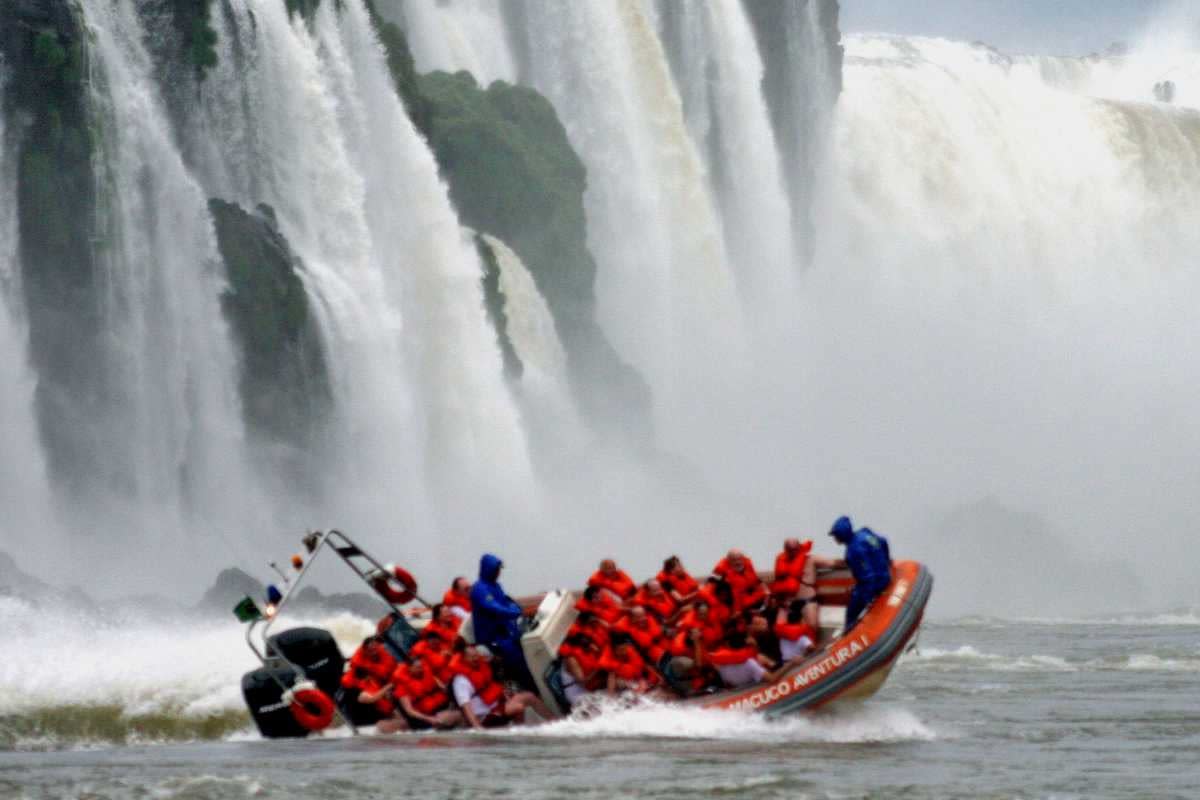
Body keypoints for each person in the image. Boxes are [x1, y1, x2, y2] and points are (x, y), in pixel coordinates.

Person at [469, 553, 535, 689]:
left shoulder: (496, 586)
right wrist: (517, 612)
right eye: (497, 570)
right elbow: (495, 608)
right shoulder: (479, 589)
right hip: (491, 637)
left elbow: (506, 602)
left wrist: (516, 609)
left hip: (504, 630)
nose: (499, 573)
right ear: (490, 569)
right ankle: (529, 686)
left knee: (527, 639)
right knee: (516, 655)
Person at [450, 644, 552, 729]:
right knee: (519, 706)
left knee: (529, 696)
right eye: (472, 657)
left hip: (496, 706)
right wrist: (477, 727)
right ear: (463, 658)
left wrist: (504, 695)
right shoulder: (460, 681)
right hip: (485, 716)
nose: (476, 658)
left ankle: (556, 722)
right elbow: (466, 707)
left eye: (476, 655)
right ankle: (519, 730)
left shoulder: (480, 668)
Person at [827, 516, 893, 631]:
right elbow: (883, 541)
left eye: (835, 536)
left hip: (876, 583)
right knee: (856, 590)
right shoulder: (865, 532)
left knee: (851, 610)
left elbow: (868, 577)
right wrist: (887, 560)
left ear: (841, 536)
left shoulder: (853, 551)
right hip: (885, 574)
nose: (834, 539)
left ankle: (848, 631)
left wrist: (868, 599)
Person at [771, 537, 820, 631]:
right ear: (785, 549)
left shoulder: (810, 559)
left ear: (799, 547)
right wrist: (779, 600)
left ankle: (811, 644)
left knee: (812, 625)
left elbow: (832, 563)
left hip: (807, 601)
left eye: (795, 549)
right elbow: (777, 583)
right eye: (789, 549)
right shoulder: (781, 561)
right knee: (779, 627)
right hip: (787, 603)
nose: (792, 552)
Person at [557, 632, 605, 707]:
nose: (589, 647)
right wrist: (598, 668)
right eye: (586, 646)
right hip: (575, 692)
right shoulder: (571, 659)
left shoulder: (588, 651)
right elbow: (582, 681)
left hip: (585, 688)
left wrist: (597, 652)